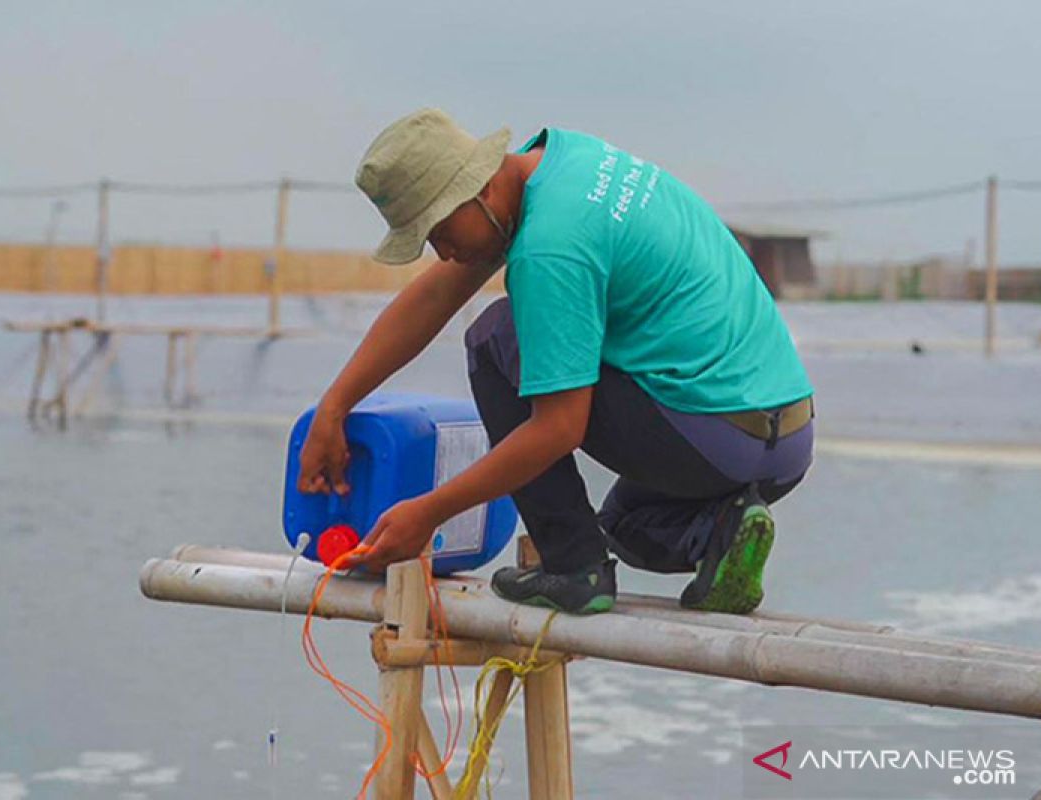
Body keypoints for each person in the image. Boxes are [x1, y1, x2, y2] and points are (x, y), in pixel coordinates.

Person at [296, 108, 814, 616]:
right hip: (786, 442)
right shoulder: (561, 166)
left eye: (437, 232)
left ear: (477, 191)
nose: (443, 251)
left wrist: (428, 514)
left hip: (715, 436)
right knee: (626, 525)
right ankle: (722, 529)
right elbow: (432, 299)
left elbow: (560, 428)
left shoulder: (549, 250)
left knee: (493, 338)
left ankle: (574, 570)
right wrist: (334, 407)